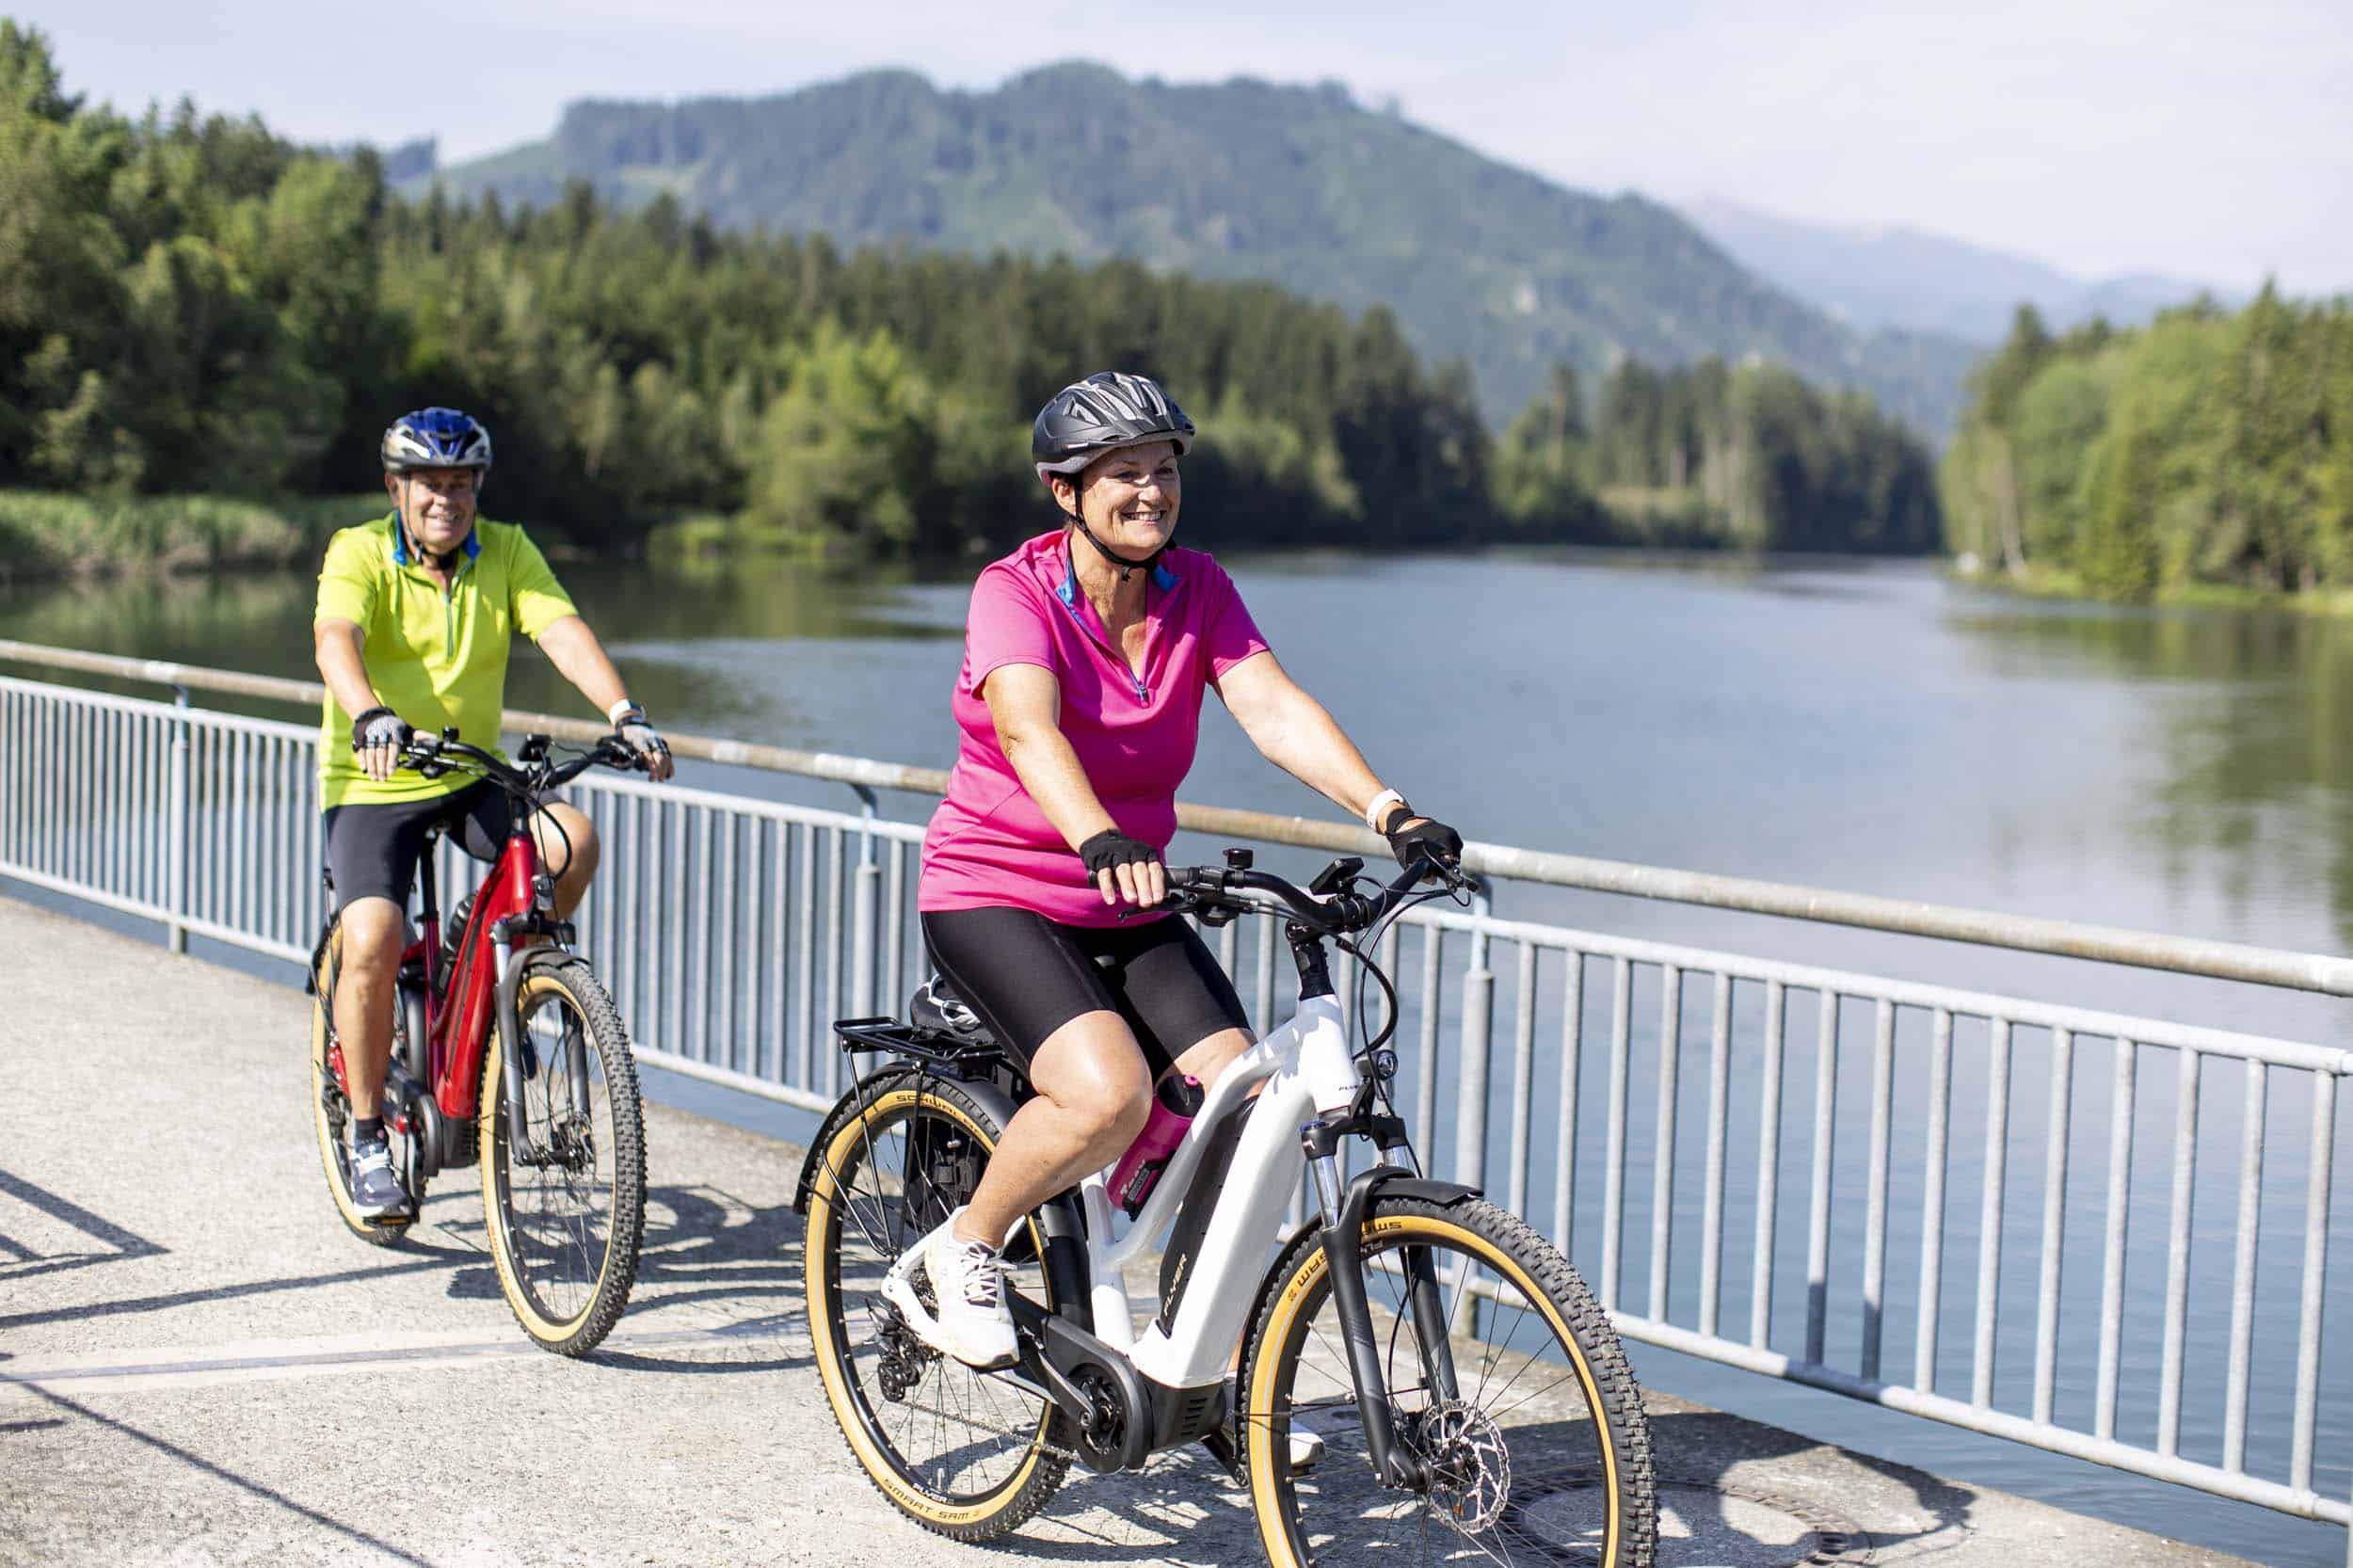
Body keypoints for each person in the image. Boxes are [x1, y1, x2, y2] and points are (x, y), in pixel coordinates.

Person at [909, 371, 1463, 1367]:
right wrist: (1097, 835)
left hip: (1130, 900)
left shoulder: (1197, 587)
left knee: (1242, 1110)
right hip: (996, 890)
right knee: (1108, 1094)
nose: (1151, 491)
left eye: (1164, 469)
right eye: (1123, 472)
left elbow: (1272, 707)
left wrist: (1391, 812)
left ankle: (1189, 1360)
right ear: (1064, 490)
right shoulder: (1015, 591)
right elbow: (1028, 729)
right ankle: (965, 1247)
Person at [312, 407, 674, 1220]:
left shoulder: (506, 550)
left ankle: (503, 989)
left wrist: (625, 711)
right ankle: (369, 1136)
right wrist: (369, 711)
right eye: (430, 484)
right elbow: (336, 635)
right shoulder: (359, 550)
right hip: (375, 776)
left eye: (461, 484)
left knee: (570, 840)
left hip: (468, 768)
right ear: (396, 488)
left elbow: (561, 630)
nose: (447, 499)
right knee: (370, 935)